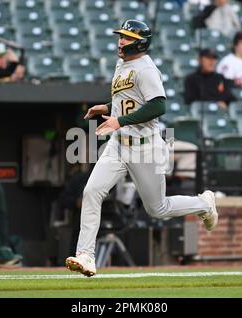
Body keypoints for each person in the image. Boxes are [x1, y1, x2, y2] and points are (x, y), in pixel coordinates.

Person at [65, 19, 218, 277]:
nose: (120, 41)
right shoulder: (122, 63)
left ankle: (203, 204)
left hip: (145, 147)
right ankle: (86, 256)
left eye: (126, 37)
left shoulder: (146, 69)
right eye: (121, 36)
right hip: (118, 145)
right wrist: (107, 107)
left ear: (140, 43)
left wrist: (119, 120)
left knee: (157, 209)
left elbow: (158, 105)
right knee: (92, 191)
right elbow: (127, 99)